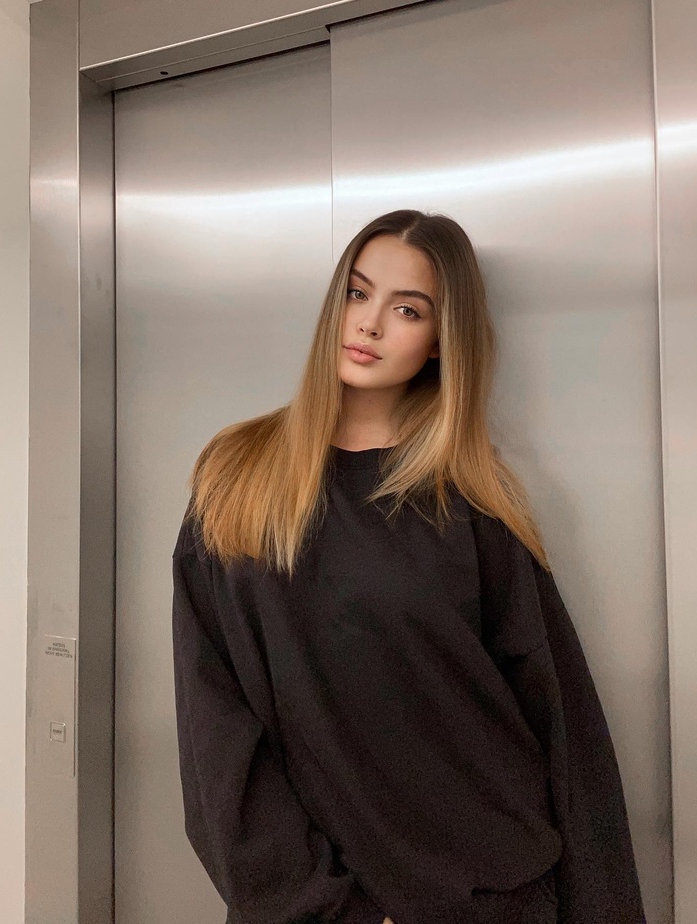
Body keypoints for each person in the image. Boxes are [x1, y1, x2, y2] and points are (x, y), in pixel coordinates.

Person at [171, 209, 647, 924]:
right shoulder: (236, 478)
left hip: (495, 896)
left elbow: (561, 719)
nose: (369, 324)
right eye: (357, 293)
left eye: (408, 309)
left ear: (438, 341)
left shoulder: (473, 499)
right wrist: (320, 905)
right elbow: (215, 734)